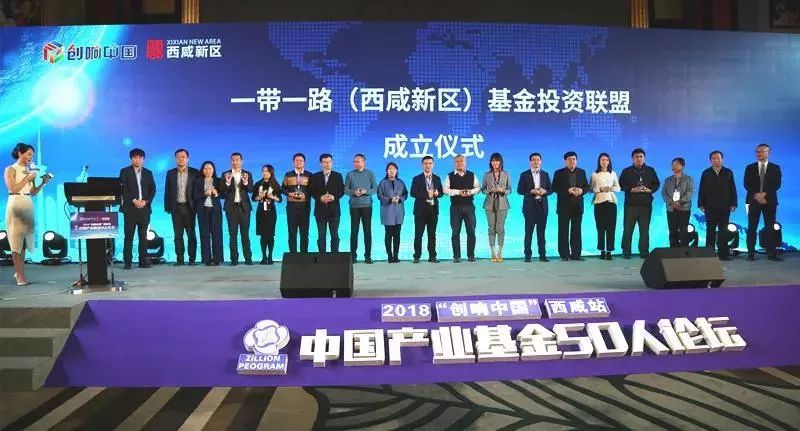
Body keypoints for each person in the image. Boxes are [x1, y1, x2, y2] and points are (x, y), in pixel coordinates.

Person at [4, 143, 51, 285]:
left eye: (32, 155)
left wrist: (42, 183)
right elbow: (13, 189)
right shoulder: (10, 169)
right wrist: (27, 178)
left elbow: (33, 192)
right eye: (29, 154)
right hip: (15, 203)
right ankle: (19, 275)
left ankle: (20, 272)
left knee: (23, 243)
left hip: (27, 203)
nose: (31, 157)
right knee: (15, 241)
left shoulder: (29, 171)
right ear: (20, 153)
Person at [119, 148, 156, 269]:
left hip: (144, 209)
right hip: (130, 208)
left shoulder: (148, 173)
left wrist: (145, 201)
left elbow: (153, 190)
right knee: (129, 236)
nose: (138, 160)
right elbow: (123, 189)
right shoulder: (125, 171)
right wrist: (134, 200)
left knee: (143, 236)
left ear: (143, 159)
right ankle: (128, 262)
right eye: (135, 157)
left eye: (140, 157)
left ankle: (143, 261)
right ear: (131, 159)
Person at [743, 143, 782, 261]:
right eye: (757, 151)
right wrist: (758, 196)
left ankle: (772, 253)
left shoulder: (775, 168)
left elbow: (777, 184)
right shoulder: (750, 167)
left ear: (768, 153)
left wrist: (764, 194)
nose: (759, 153)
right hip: (752, 201)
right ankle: (750, 253)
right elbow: (746, 184)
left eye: (762, 151)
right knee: (751, 227)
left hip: (770, 201)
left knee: (770, 227)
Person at [619, 148, 660, 259]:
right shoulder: (626, 171)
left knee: (644, 230)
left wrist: (650, 190)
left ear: (644, 158)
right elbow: (620, 185)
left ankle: (644, 251)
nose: (639, 159)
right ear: (632, 158)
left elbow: (656, 184)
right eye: (636, 157)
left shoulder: (650, 170)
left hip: (645, 205)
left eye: (641, 157)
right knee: (628, 229)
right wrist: (631, 189)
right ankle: (626, 251)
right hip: (631, 205)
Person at [698, 150, 737, 260]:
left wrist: (733, 203)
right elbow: (702, 189)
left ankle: (723, 254)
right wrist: (701, 204)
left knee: (723, 231)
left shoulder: (728, 172)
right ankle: (709, 254)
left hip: (725, 206)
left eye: (718, 158)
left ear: (722, 159)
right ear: (710, 160)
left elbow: (732, 188)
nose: (716, 160)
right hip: (709, 207)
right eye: (713, 158)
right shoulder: (706, 172)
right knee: (710, 231)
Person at [164, 148, 199, 266]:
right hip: (176, 208)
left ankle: (192, 259)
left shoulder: (195, 172)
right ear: (175, 159)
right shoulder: (170, 173)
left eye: (183, 157)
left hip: (190, 208)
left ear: (187, 158)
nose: (181, 159)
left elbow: (198, 190)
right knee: (178, 235)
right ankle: (180, 259)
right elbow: (167, 191)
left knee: (191, 235)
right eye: (178, 157)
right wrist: (167, 207)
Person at [552, 151, 589, 261]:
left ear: (576, 160)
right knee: (563, 231)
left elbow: (586, 187)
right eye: (569, 159)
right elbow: (554, 188)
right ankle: (564, 255)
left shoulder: (581, 172)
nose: (572, 161)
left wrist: (581, 191)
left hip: (578, 206)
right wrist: (567, 190)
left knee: (576, 231)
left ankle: (576, 254)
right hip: (563, 206)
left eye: (574, 159)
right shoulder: (559, 173)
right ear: (565, 161)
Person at [443, 155, 481, 263]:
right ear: (454, 163)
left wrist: (470, 192)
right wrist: (458, 192)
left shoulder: (472, 175)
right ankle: (456, 256)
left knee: (471, 232)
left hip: (469, 207)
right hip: (455, 207)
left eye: (462, 161)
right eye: (457, 161)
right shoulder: (450, 176)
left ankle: (471, 255)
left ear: (465, 162)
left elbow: (478, 188)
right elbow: (445, 190)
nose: (460, 163)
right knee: (455, 232)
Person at [220, 152, 254, 266]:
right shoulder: (225, 174)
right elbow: (222, 191)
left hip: (244, 208)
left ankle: (248, 259)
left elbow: (250, 189)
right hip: (231, 208)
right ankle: (234, 259)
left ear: (241, 161)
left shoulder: (247, 174)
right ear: (231, 161)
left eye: (237, 160)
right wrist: (227, 182)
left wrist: (245, 182)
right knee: (232, 235)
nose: (235, 162)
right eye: (233, 160)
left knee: (245, 234)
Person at [518, 152, 552, 262]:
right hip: (529, 207)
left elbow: (551, 189)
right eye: (533, 160)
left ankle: (542, 255)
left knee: (541, 233)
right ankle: (527, 256)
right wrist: (531, 191)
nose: (536, 161)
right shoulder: (524, 174)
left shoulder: (545, 174)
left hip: (542, 206)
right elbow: (519, 190)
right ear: (530, 162)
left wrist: (545, 191)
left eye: (538, 159)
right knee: (529, 232)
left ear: (541, 161)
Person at [344, 154, 378, 264]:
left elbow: (375, 189)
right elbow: (345, 190)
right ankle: (353, 256)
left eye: (358, 161)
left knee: (367, 231)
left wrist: (365, 191)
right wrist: (354, 192)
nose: (356, 163)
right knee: (354, 232)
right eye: (355, 162)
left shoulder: (370, 173)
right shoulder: (350, 174)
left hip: (367, 206)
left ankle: (368, 256)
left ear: (364, 162)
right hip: (354, 206)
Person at [410, 156, 443, 263]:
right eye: (425, 163)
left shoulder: (437, 178)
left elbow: (441, 193)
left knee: (432, 234)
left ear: (433, 165)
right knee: (418, 234)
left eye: (430, 163)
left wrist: (437, 193)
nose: (428, 165)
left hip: (433, 210)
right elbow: (413, 193)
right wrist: (426, 194)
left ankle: (432, 256)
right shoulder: (416, 178)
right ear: (422, 165)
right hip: (420, 211)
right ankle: (417, 256)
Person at [309, 153, 344, 253]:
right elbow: (311, 191)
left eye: (329, 162)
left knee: (334, 234)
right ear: (321, 163)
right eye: (325, 162)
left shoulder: (338, 176)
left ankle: (335, 256)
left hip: (334, 210)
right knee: (321, 235)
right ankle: (322, 256)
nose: (327, 164)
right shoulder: (315, 176)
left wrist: (334, 197)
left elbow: (342, 191)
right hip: (320, 210)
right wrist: (319, 197)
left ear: (332, 162)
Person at [590, 153, 620, 260]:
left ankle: (609, 251)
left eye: (606, 160)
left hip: (611, 202)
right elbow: (590, 189)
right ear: (599, 161)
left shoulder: (613, 173)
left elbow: (618, 188)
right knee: (600, 228)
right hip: (599, 202)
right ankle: (602, 250)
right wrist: (600, 189)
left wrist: (610, 188)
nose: (604, 162)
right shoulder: (595, 174)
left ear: (609, 161)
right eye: (602, 160)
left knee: (611, 228)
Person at [482, 152, 511, 262]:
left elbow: (509, 189)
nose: (495, 163)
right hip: (489, 204)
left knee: (500, 228)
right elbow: (483, 189)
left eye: (497, 161)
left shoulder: (506, 174)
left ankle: (500, 252)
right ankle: (492, 252)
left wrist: (502, 190)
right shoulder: (487, 175)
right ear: (491, 162)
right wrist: (490, 190)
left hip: (502, 204)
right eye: (493, 161)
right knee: (491, 228)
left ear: (500, 162)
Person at [193, 161, 223, 266]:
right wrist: (205, 193)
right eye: (205, 168)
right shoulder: (198, 181)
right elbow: (195, 196)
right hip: (203, 210)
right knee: (204, 235)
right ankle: (206, 259)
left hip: (215, 210)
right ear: (202, 170)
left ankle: (217, 259)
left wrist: (216, 193)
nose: (207, 170)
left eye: (210, 168)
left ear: (213, 170)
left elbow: (224, 194)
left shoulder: (218, 181)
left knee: (217, 234)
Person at [281, 153, 313, 253]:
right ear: (293, 162)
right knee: (292, 232)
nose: (298, 162)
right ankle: (293, 255)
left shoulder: (309, 175)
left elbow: (313, 190)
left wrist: (305, 195)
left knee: (304, 233)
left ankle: (304, 255)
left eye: (301, 161)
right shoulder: (288, 174)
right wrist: (289, 194)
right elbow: (282, 189)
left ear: (304, 162)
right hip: (291, 207)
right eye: (296, 160)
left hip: (305, 207)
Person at [377, 162, 408, 263]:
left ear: (396, 171)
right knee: (388, 234)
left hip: (398, 211)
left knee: (397, 235)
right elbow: (379, 195)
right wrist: (390, 200)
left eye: (393, 169)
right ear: (386, 171)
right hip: (387, 211)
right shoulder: (382, 183)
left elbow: (405, 194)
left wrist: (400, 199)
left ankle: (396, 255)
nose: (391, 171)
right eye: (389, 169)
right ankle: (389, 256)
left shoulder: (401, 182)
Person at [252, 165, 282, 264]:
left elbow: (280, 199)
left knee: (270, 235)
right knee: (263, 235)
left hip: (271, 211)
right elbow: (253, 198)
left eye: (267, 171)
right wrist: (259, 197)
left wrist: (272, 197)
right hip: (261, 210)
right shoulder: (258, 184)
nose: (265, 173)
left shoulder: (275, 184)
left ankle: (270, 257)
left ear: (271, 172)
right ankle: (264, 257)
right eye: (263, 171)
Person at [662, 157, 694, 247]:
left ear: (682, 166)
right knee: (672, 231)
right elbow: (664, 193)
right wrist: (671, 203)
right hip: (671, 209)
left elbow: (690, 192)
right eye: (672, 165)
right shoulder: (668, 180)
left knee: (683, 232)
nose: (674, 167)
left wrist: (680, 202)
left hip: (684, 209)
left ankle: (684, 251)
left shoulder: (689, 179)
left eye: (676, 165)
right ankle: (673, 251)